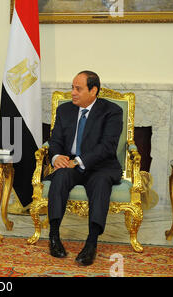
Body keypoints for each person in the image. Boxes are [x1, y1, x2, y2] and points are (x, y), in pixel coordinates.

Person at [45, 70, 123, 266]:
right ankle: (53, 236)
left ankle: (91, 243)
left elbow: (107, 147)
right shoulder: (64, 110)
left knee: (100, 183)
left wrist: (78, 161)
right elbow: (54, 141)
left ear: (93, 90)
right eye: (72, 88)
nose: (72, 92)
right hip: (70, 164)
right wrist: (56, 158)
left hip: (100, 166)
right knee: (60, 176)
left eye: (78, 89)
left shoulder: (111, 111)